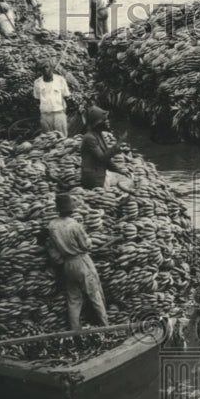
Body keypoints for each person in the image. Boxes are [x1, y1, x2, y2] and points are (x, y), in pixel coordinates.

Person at [47, 193, 110, 332]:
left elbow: (52, 250)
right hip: (81, 262)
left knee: (73, 300)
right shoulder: (74, 225)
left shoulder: (52, 226)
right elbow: (86, 246)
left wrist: (61, 260)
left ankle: (76, 331)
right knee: (94, 294)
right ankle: (106, 327)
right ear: (71, 209)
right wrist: (89, 240)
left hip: (67, 265)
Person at [80, 106, 130, 189]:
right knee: (125, 184)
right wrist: (119, 142)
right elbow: (103, 158)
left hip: (99, 173)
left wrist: (119, 171)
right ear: (97, 123)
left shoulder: (98, 134)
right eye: (104, 120)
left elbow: (106, 160)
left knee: (127, 179)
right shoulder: (90, 138)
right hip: (94, 179)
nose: (107, 122)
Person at [33, 62, 70, 136]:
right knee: (48, 139)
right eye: (42, 68)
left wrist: (63, 110)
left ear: (52, 68)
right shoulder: (37, 82)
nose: (44, 69)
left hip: (59, 113)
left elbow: (65, 95)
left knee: (62, 138)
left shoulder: (60, 80)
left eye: (46, 67)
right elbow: (37, 97)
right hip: (45, 115)